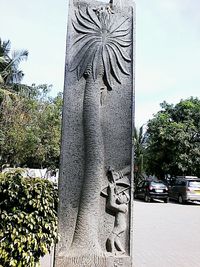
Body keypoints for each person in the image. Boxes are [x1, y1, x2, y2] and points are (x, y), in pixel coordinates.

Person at [106, 182, 130, 254]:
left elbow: (110, 205)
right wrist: (114, 196)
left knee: (110, 238)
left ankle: (112, 252)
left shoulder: (124, 207)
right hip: (120, 225)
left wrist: (111, 191)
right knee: (116, 239)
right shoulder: (122, 205)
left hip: (120, 226)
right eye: (120, 194)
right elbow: (110, 204)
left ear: (126, 201)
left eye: (123, 195)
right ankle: (122, 251)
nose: (120, 195)